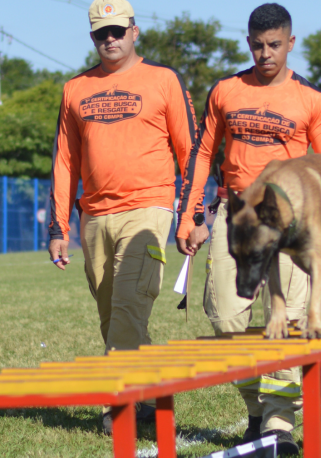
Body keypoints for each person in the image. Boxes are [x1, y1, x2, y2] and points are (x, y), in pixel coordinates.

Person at [175, 3, 321, 455]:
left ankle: (278, 424)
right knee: (224, 315)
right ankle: (255, 409)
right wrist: (191, 218)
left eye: (274, 45)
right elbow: (201, 155)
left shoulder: (311, 99)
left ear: (291, 43)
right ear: (247, 43)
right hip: (235, 218)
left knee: (285, 321)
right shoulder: (226, 90)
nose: (265, 53)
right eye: (257, 45)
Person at [49, 0, 198, 433]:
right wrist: (58, 226)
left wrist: (191, 214)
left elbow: (191, 152)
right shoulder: (75, 88)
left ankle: (119, 403)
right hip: (94, 215)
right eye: (101, 33)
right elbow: (65, 161)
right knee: (113, 315)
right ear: (92, 38)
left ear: (135, 31)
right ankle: (149, 397)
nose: (110, 39)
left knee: (130, 303)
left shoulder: (164, 80)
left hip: (149, 208)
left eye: (117, 30)